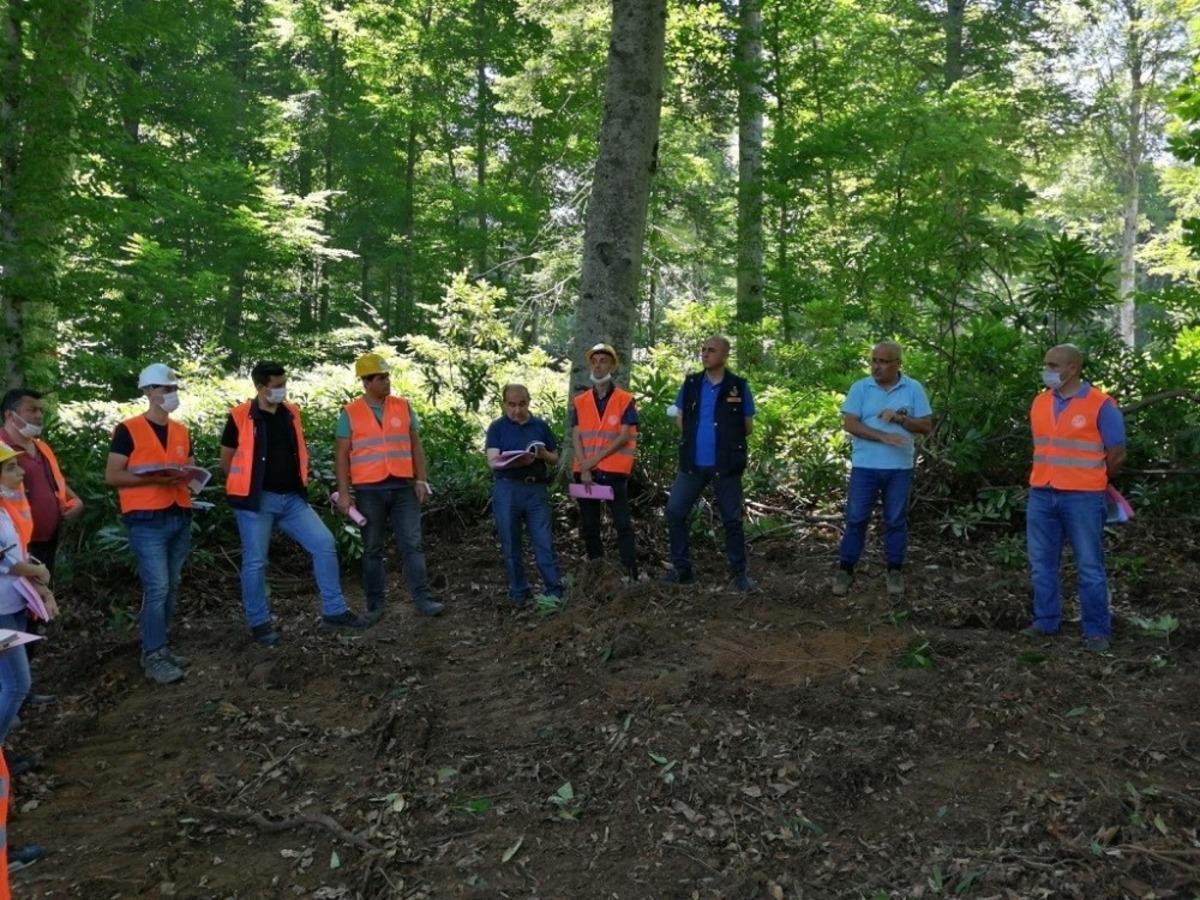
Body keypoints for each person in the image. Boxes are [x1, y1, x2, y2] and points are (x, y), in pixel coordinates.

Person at [221, 362, 368, 646]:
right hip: (256, 503)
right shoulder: (240, 417)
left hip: (292, 499)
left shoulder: (291, 413)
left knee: (324, 543)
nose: (282, 390)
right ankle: (259, 622)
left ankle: (334, 611)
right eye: (276, 386)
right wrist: (248, 488)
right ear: (261, 388)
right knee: (255, 562)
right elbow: (227, 461)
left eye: (284, 384)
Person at [1024, 343, 1125, 653]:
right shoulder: (1040, 402)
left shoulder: (1100, 404)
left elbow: (1117, 453)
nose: (1047, 370)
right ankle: (1046, 621)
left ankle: (1096, 630)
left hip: (1083, 496)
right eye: (1046, 364)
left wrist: (1092, 478)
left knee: (1090, 565)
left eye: (1053, 365)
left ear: (1073, 369)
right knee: (1041, 564)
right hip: (1042, 492)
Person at [103, 363, 195, 685]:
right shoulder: (128, 430)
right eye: (165, 389)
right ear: (148, 392)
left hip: (179, 514)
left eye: (173, 389)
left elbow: (192, 471)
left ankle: (161, 646)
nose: (171, 394)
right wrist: (154, 478)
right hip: (146, 520)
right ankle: (152, 654)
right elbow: (113, 475)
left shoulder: (182, 430)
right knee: (157, 588)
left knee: (171, 585)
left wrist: (190, 478)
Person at [335, 353, 444, 620]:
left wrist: (421, 479)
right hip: (369, 490)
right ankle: (375, 606)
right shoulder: (350, 413)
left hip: (402, 487)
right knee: (372, 548)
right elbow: (341, 454)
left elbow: (415, 445)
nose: (387, 382)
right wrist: (345, 493)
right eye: (381, 378)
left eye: (387, 376)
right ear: (367, 382)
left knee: (413, 544)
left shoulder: (403, 406)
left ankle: (423, 600)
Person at [833, 341, 932, 598]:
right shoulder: (860, 388)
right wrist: (882, 437)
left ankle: (895, 570)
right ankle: (845, 569)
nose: (877, 366)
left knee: (896, 520)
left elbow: (925, 426)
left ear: (898, 364)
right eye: (874, 360)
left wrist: (900, 419)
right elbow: (850, 424)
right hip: (865, 466)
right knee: (855, 519)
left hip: (899, 468)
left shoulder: (913, 388)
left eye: (884, 361)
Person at [663, 336, 756, 591]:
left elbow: (748, 426)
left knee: (732, 519)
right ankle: (682, 569)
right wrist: (693, 438)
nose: (705, 354)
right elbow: (680, 416)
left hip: (726, 465)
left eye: (711, 350)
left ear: (724, 355)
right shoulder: (691, 383)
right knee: (674, 511)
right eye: (703, 350)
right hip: (693, 464)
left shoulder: (738, 386)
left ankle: (739, 573)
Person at [0, 443, 58, 762]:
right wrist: (37, 570)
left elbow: (16, 553)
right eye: (11, 468)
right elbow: (5, 562)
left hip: (13, 606)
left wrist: (42, 588)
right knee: (17, 685)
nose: (21, 473)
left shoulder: (6, 509)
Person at [485, 384, 564, 606]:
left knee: (543, 540)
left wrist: (542, 454)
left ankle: (554, 589)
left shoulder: (540, 426)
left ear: (528, 402)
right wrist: (515, 460)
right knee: (510, 542)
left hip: (536, 489)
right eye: (511, 405)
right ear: (504, 404)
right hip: (507, 488)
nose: (517, 410)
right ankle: (518, 591)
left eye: (521, 404)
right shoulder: (497, 428)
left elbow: (556, 458)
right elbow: (492, 461)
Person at [570, 343, 639, 580]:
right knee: (589, 526)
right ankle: (597, 572)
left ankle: (631, 574)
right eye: (595, 361)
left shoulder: (625, 399)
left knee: (623, 525)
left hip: (613, 473)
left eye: (604, 361)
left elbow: (624, 436)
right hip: (586, 473)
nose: (599, 365)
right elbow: (576, 436)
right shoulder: (580, 401)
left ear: (612, 365)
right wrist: (585, 466)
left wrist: (594, 461)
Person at [1, 389, 84, 573]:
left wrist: (74, 499)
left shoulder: (41, 447)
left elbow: (56, 481)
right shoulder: (1, 447)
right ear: (10, 415)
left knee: (42, 594)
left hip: (47, 539)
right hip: (12, 542)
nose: (39, 416)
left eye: (40, 410)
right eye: (32, 410)